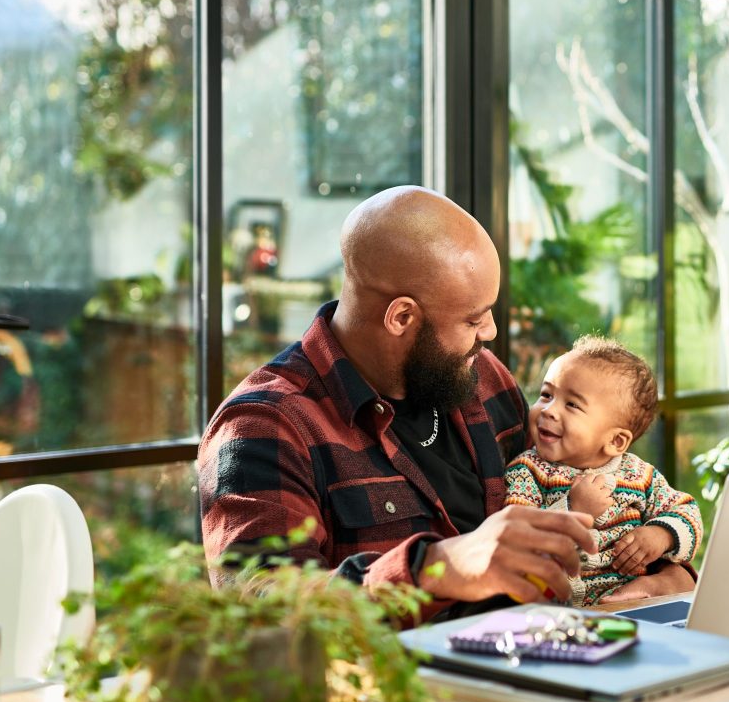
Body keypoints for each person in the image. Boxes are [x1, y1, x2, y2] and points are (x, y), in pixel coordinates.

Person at [198, 187, 696, 618]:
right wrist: (438, 569)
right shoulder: (266, 425)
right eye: (473, 319)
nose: (491, 333)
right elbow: (266, 610)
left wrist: (663, 577)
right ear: (401, 317)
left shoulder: (482, 380)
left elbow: (566, 506)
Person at [504, 336, 703, 606]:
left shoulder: (639, 475)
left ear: (615, 442)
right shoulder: (527, 471)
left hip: (633, 603)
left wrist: (661, 534)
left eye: (572, 405)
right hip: (560, 610)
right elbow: (517, 538)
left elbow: (687, 512)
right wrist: (574, 510)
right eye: (546, 395)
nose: (549, 411)